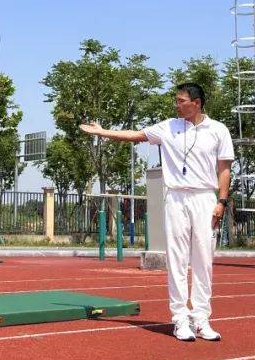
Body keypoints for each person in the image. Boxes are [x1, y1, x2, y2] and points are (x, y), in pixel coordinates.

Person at [79, 82, 234, 342]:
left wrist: (221, 201)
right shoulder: (168, 127)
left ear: (196, 103)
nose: (176, 104)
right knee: (176, 258)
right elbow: (135, 135)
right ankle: (180, 320)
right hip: (176, 197)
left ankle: (202, 319)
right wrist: (103, 132)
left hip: (205, 198)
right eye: (176, 100)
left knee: (203, 261)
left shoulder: (218, 130)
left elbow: (224, 169)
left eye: (181, 100)